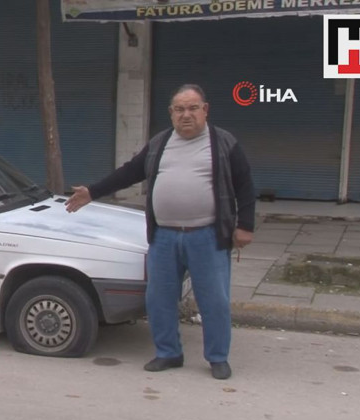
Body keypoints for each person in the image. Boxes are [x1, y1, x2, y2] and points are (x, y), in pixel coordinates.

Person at [65, 84, 255, 380]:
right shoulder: (160, 143)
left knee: (214, 300)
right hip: (164, 237)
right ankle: (168, 353)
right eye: (179, 109)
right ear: (171, 113)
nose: (186, 115)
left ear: (205, 110)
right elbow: (130, 172)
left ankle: (218, 357)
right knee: (159, 299)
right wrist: (93, 192)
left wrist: (245, 226)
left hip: (207, 236)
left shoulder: (223, 142)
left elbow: (245, 184)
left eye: (192, 108)